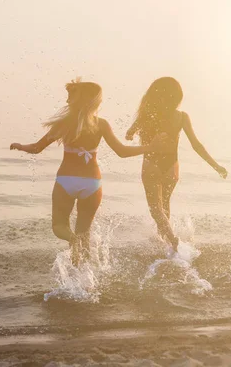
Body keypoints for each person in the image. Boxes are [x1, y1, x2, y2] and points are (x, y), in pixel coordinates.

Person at [10, 78, 164, 265]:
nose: (67, 101)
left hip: (66, 180)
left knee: (59, 226)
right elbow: (122, 152)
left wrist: (20, 146)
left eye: (70, 97)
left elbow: (36, 148)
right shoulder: (101, 124)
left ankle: (72, 240)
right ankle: (84, 277)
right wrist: (150, 147)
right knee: (85, 234)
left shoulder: (64, 124)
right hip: (92, 183)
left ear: (79, 99)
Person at [126, 77, 228, 252]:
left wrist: (135, 133)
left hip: (151, 164)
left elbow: (129, 134)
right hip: (172, 167)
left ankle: (172, 240)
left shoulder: (147, 114)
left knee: (155, 209)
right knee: (165, 206)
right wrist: (216, 166)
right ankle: (166, 244)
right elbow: (196, 145)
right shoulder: (181, 116)